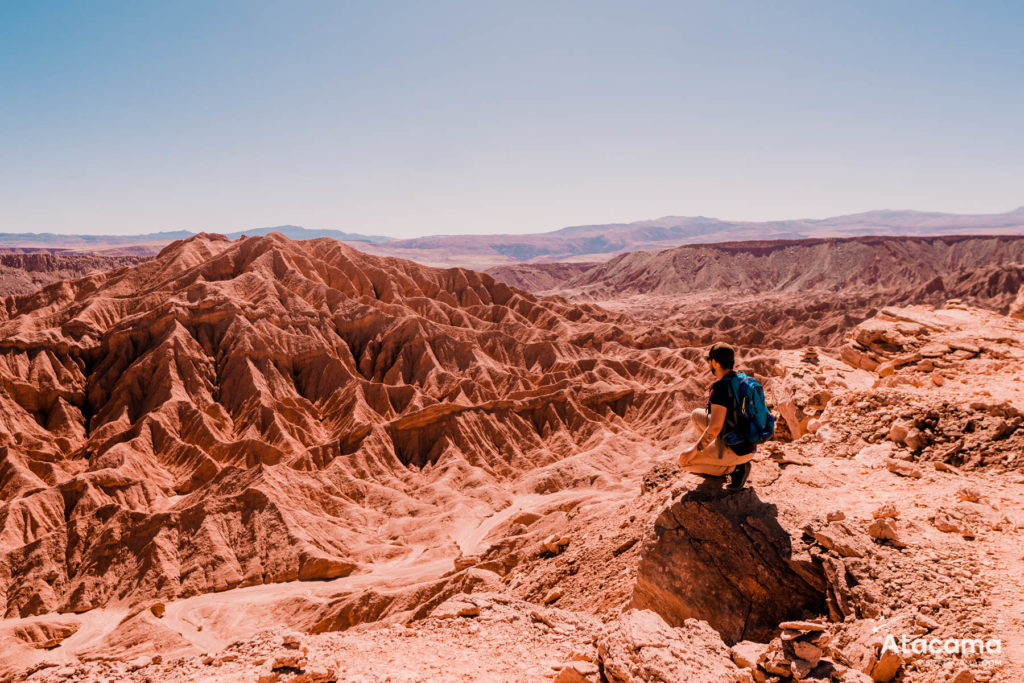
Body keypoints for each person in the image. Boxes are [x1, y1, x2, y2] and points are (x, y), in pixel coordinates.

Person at [677, 342, 756, 489]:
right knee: (696, 415)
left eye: (709, 361)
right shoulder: (740, 379)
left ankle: (734, 469)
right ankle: (717, 457)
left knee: (684, 462)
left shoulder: (720, 387)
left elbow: (715, 427)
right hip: (747, 443)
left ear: (714, 362)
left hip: (737, 450)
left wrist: (694, 450)